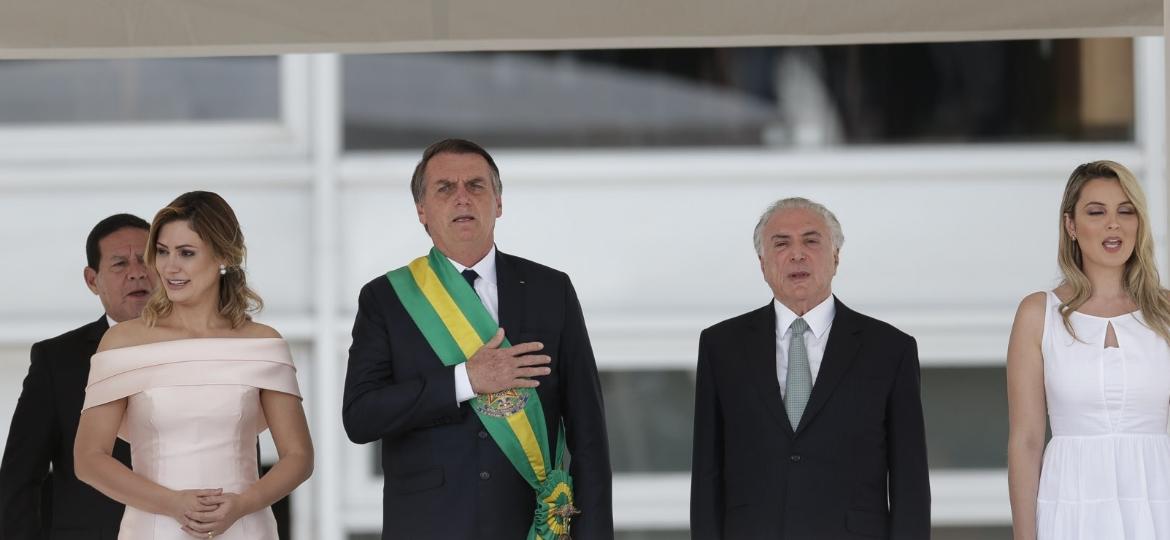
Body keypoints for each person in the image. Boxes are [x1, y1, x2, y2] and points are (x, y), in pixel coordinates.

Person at [343, 138, 613, 539]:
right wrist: (465, 380)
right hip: (429, 525)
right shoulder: (386, 298)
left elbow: (588, 432)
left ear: (499, 203)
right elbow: (361, 416)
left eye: (476, 185)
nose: (462, 198)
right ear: (422, 210)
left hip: (532, 524)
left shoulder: (550, 290)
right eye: (445, 188)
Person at [73, 191, 313, 539]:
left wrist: (244, 504)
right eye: (162, 251)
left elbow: (298, 455)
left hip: (245, 526)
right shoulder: (123, 342)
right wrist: (171, 503)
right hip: (154, 528)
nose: (170, 267)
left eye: (186, 253)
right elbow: (89, 459)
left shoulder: (262, 343)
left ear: (222, 256)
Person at [690, 197, 931, 539]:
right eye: (781, 243)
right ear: (762, 264)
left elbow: (911, 482)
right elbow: (706, 475)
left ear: (836, 257)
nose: (797, 254)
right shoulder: (721, 347)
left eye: (811, 240)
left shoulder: (891, 349)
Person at [1007, 161, 1170, 540]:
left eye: (1125, 211)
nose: (1114, 223)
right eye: (1097, 212)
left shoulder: (1164, 312)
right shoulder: (1037, 313)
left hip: (1157, 502)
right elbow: (1026, 440)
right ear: (1071, 226)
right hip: (1070, 505)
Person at [0, 214, 153, 539]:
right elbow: (19, 479)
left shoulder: (203, 348)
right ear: (92, 280)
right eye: (119, 264)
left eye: (146, 259)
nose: (137, 272)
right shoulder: (56, 361)